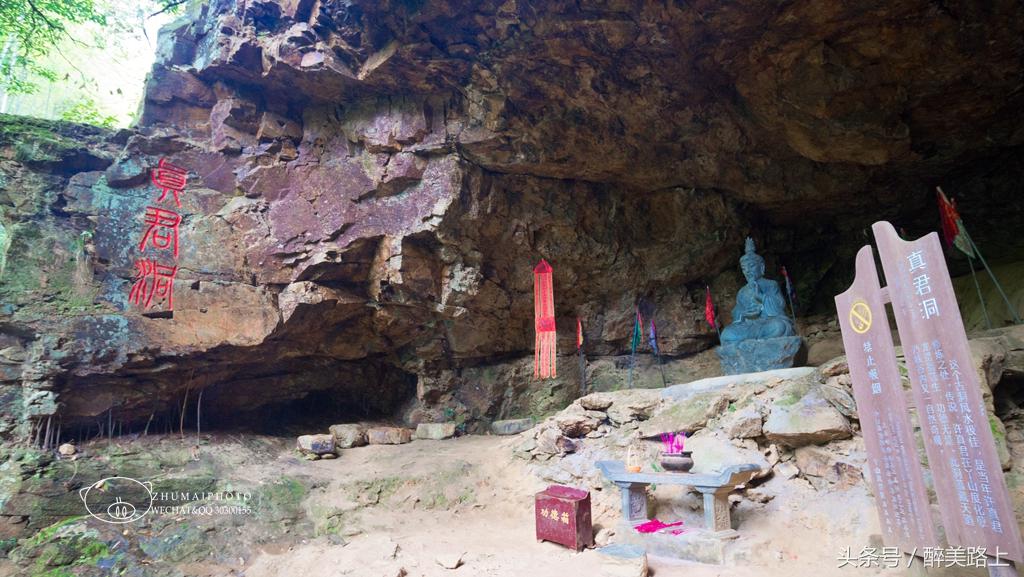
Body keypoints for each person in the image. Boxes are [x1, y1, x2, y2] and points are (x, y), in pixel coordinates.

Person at [720, 238, 795, 344]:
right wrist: (743, 313)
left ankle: (751, 342)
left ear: (762, 267)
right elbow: (737, 313)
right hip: (750, 326)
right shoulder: (742, 291)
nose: (748, 271)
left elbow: (780, 306)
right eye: (744, 268)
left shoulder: (771, 284)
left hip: (768, 323)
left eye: (751, 266)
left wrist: (762, 297)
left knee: (780, 326)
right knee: (726, 333)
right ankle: (758, 341)